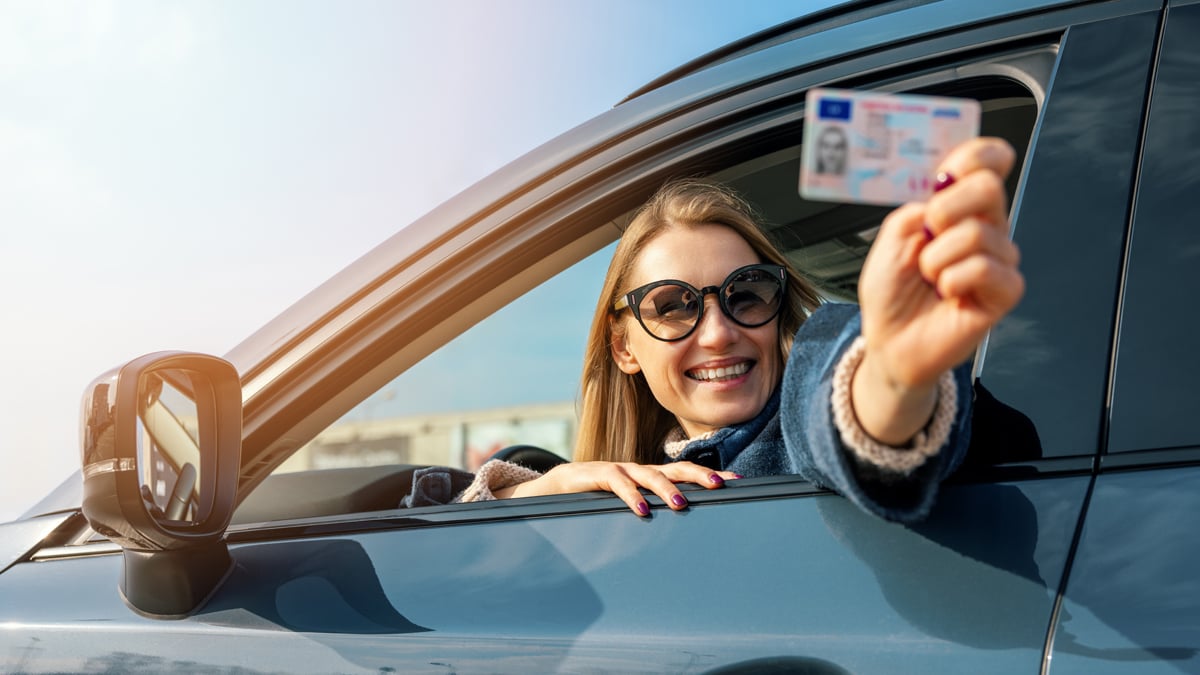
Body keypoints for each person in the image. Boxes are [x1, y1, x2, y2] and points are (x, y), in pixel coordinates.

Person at [403, 137, 1022, 523]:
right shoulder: (610, 485)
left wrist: (892, 371)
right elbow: (434, 551)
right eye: (672, 306)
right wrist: (539, 495)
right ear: (623, 346)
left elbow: (843, 417)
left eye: (745, 294)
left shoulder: (810, 390)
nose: (720, 332)